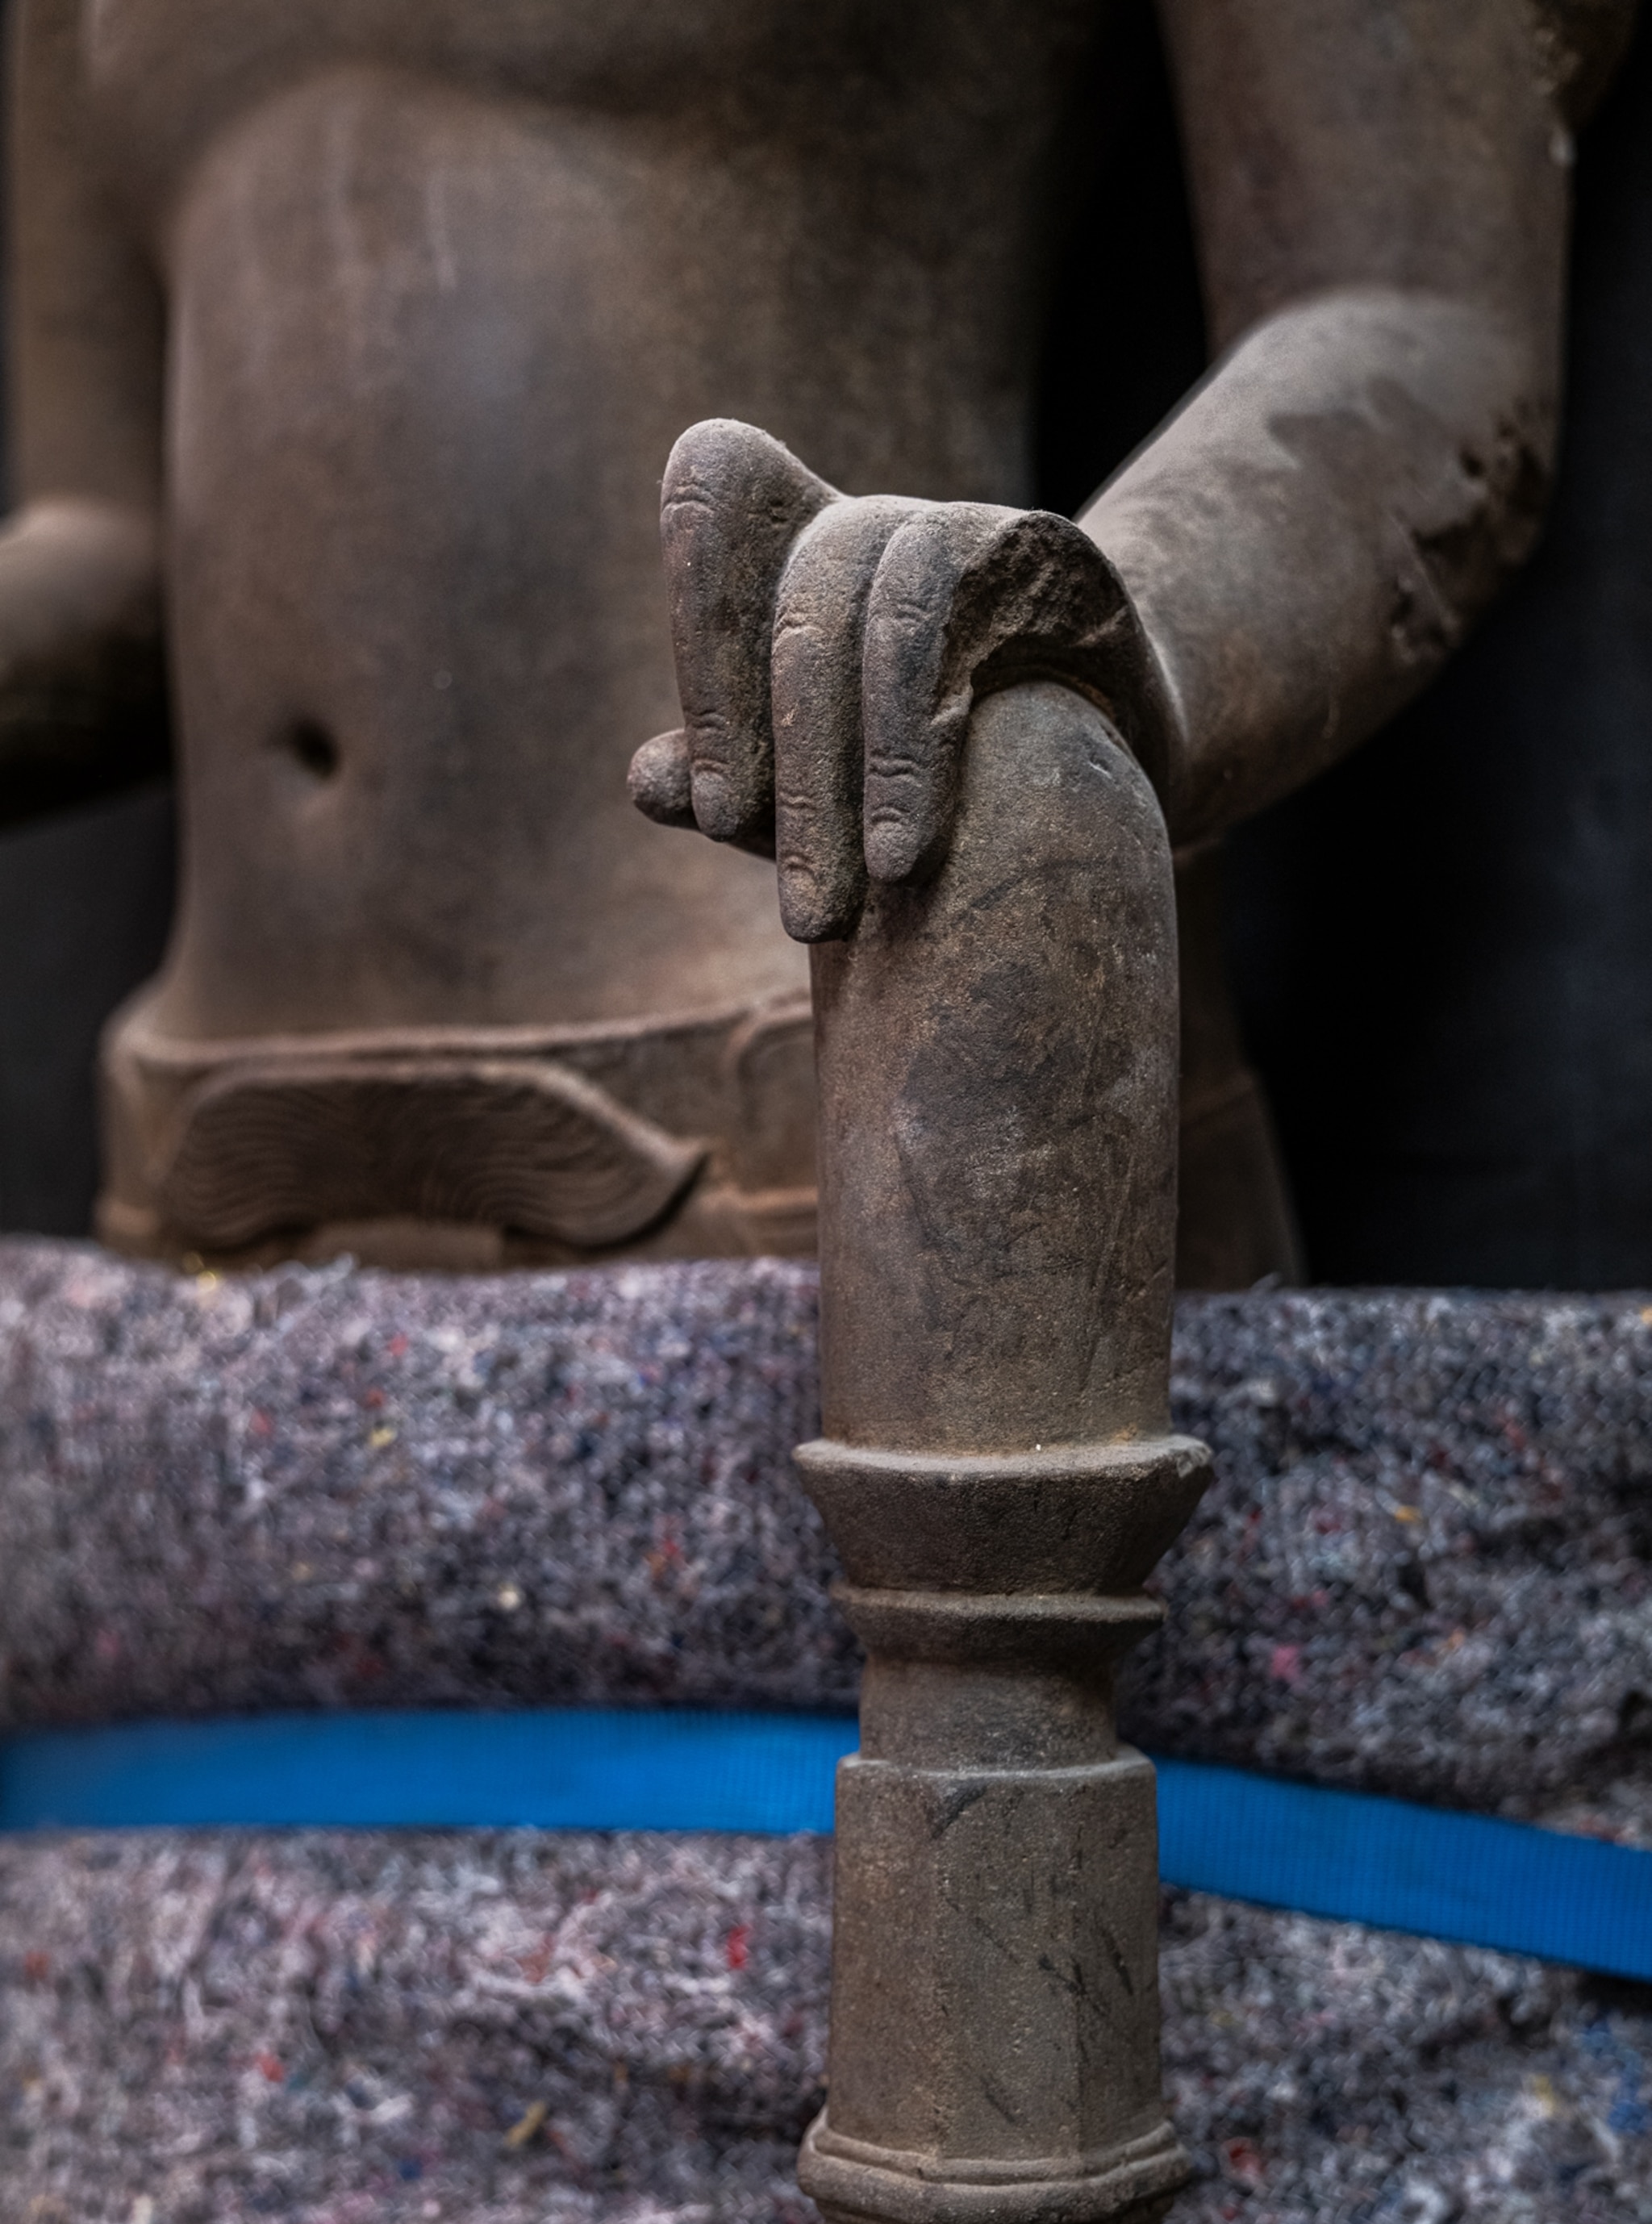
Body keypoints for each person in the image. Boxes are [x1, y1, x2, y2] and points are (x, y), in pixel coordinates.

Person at [0, 0, 1625, 1278]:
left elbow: (1412, 326)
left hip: (848, 1106)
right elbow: (125, 548)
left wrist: (1100, 628)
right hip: (202, 1172)